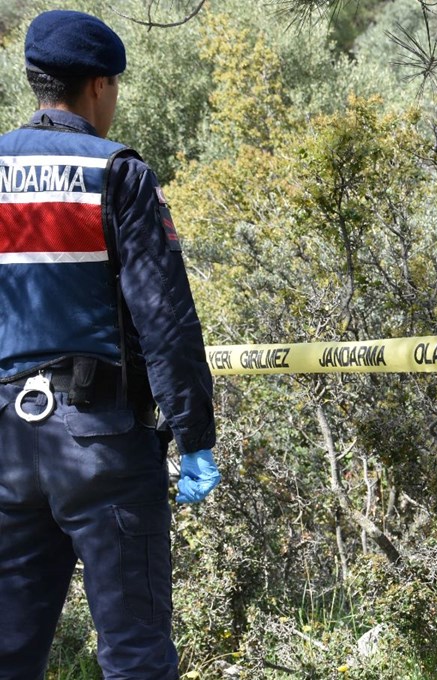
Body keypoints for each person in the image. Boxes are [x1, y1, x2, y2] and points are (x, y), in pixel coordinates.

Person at [0, 10, 221, 678]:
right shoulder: (117, 172)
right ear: (98, 86)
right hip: (99, 446)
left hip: (6, 445)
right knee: (135, 653)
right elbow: (165, 319)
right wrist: (196, 435)